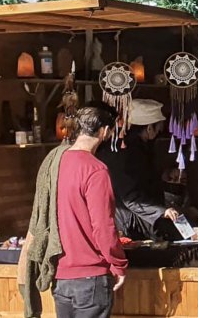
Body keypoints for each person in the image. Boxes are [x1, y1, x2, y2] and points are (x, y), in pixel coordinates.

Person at [52, 105, 127, 318]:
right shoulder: (95, 169)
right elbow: (103, 226)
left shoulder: (56, 164)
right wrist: (118, 264)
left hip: (62, 275)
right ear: (104, 131)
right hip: (90, 277)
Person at [97, 99, 182, 241]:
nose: (161, 131)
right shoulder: (129, 153)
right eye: (159, 127)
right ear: (149, 128)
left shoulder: (137, 150)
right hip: (131, 221)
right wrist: (161, 211)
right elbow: (130, 197)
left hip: (141, 215)